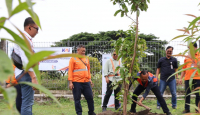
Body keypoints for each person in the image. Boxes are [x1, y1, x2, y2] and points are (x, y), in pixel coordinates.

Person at [14, 17, 39, 115]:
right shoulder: (24, 39)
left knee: (25, 103)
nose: (37, 32)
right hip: (26, 74)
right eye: (36, 29)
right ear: (29, 27)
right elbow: (26, 60)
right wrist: (33, 77)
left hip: (21, 74)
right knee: (27, 103)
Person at [68, 44, 96, 115]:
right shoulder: (73, 59)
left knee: (90, 97)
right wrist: (70, 82)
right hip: (76, 82)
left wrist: (90, 79)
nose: (84, 52)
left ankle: (91, 112)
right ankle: (79, 113)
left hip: (86, 82)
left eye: (84, 51)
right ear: (78, 50)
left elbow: (88, 69)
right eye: (82, 51)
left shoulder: (86, 59)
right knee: (77, 99)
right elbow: (70, 71)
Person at [178, 42, 200, 113]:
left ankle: (197, 109)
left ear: (195, 48)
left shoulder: (199, 56)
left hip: (197, 78)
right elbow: (183, 68)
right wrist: (181, 78)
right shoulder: (187, 57)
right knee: (187, 94)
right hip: (187, 78)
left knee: (198, 94)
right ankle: (187, 109)